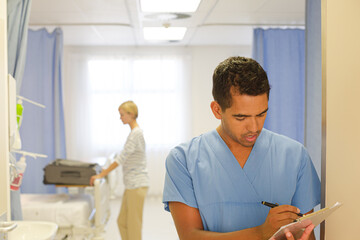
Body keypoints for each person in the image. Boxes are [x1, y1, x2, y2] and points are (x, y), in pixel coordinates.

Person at [162, 56, 321, 240]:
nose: (254, 127)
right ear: (217, 110)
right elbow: (190, 237)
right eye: (241, 118)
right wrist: (261, 233)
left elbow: (308, 233)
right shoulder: (183, 160)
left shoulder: (295, 156)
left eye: (261, 114)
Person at [90, 100, 149, 240]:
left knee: (133, 225)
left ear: (131, 114)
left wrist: (102, 174)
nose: (120, 118)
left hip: (137, 185)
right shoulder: (133, 133)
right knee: (122, 222)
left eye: (122, 115)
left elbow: (121, 158)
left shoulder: (136, 134)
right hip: (131, 185)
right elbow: (123, 156)